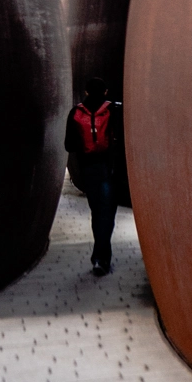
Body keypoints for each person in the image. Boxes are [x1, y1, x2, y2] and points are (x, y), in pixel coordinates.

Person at [66, 79, 125, 277]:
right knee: (107, 215)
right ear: (106, 91)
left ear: (86, 91)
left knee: (97, 213)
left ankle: (99, 258)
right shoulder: (114, 110)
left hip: (88, 169)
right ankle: (102, 258)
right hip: (109, 170)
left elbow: (69, 145)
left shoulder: (75, 113)